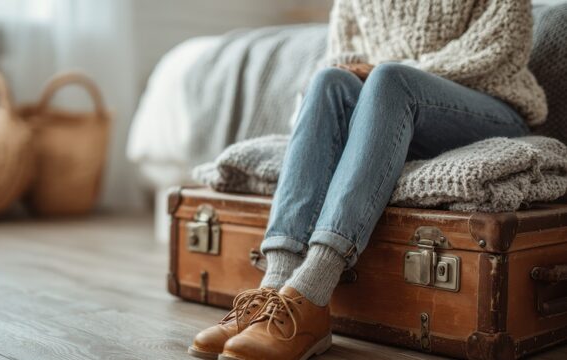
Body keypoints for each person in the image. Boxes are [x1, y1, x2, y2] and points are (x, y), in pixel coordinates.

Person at [187, 1, 547, 359]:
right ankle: (275, 288)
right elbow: (343, 51)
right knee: (329, 80)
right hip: (392, 106)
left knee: (392, 77)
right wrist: (365, 76)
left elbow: (500, 47)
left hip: (488, 104)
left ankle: (313, 290)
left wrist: (391, 72)